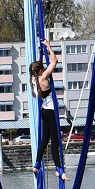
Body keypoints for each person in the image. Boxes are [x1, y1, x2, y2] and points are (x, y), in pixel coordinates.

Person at [28, 39, 66, 180]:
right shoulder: (43, 78)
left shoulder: (32, 80)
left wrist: (40, 55)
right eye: (42, 68)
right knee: (55, 140)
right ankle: (58, 168)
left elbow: (36, 67)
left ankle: (36, 164)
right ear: (40, 71)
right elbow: (55, 60)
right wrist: (49, 46)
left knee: (45, 139)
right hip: (50, 112)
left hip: (44, 111)